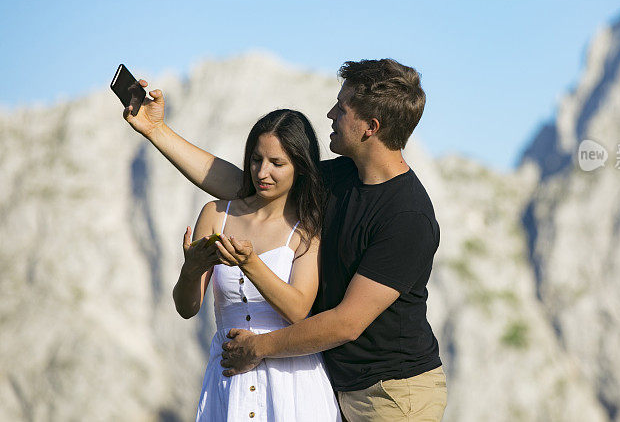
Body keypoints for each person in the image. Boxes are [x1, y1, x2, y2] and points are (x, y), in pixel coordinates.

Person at [124, 58, 447, 421]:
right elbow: (244, 187)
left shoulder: (407, 218)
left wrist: (258, 347)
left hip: (394, 396)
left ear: (371, 127)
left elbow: (346, 323)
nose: (330, 114)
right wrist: (156, 131)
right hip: (338, 386)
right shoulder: (340, 178)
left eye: (341, 109)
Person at [172, 109, 341, 421]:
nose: (262, 172)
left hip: (292, 381)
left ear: (300, 168)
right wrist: (191, 268)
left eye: (277, 164)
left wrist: (249, 263)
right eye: (255, 159)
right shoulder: (216, 213)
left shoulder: (308, 228)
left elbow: (298, 309)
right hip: (228, 376)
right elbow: (187, 308)